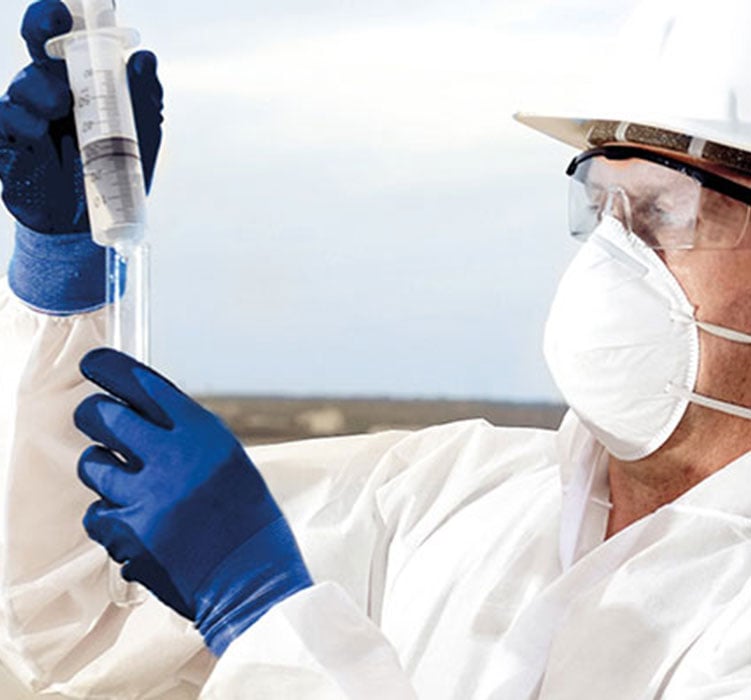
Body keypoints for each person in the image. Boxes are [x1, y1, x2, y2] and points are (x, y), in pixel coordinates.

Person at [2, 0, 751, 697]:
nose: (611, 256)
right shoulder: (449, 496)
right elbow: (67, 621)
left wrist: (265, 615)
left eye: (661, 210)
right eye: (598, 207)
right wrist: (66, 278)